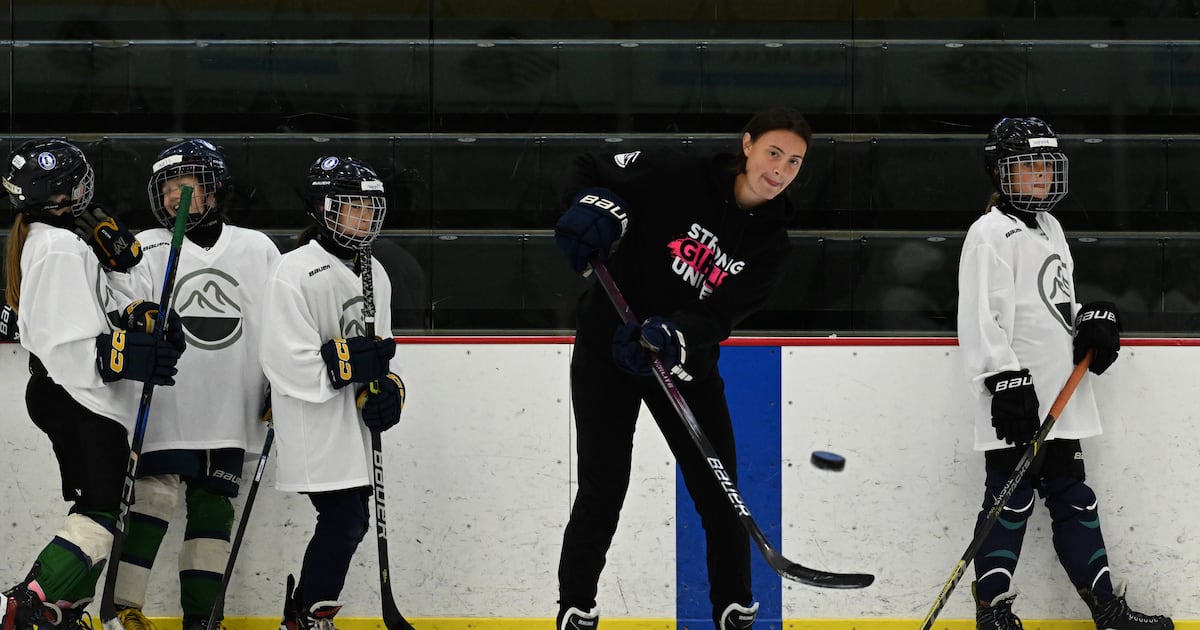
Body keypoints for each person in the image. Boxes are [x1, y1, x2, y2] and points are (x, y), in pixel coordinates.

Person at [552, 106, 810, 630]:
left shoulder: (771, 245)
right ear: (747, 145)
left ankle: (733, 608)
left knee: (721, 489)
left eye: (795, 163)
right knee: (604, 484)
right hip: (607, 343)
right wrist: (586, 209)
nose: (780, 170)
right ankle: (576, 607)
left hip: (680, 361)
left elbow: (717, 316)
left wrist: (676, 336)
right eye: (773, 153)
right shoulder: (676, 173)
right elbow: (590, 164)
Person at [956, 117, 1173, 630]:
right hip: (1018, 400)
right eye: (1027, 165)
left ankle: (1108, 613)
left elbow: (1053, 305)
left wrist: (1090, 322)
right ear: (999, 170)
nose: (1039, 175)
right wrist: (1003, 381)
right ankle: (993, 615)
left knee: (1075, 498)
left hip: (1061, 395)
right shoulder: (989, 232)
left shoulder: (1050, 227)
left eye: (1046, 165)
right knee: (1009, 500)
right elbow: (979, 316)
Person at [0, 139, 183, 630]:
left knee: (101, 505)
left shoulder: (58, 239)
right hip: (72, 393)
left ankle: (63, 609)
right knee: (104, 509)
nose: (87, 189)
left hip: (70, 394)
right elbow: (62, 342)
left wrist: (125, 272)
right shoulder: (57, 246)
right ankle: (29, 601)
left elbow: (102, 309)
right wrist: (120, 354)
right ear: (60, 195)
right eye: (77, 183)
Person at [102, 139, 280, 630]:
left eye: (188, 187)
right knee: (151, 500)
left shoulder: (256, 248)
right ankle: (125, 611)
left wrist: (279, 386)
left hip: (231, 405)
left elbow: (281, 326)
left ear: (214, 190)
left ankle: (202, 619)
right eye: (168, 189)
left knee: (213, 510)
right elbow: (122, 308)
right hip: (165, 405)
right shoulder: (148, 247)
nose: (176, 198)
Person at [259, 156, 406, 630]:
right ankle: (304, 614)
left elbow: (383, 354)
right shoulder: (293, 270)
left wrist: (388, 392)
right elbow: (283, 359)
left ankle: (308, 611)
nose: (364, 218)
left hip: (354, 426)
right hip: (313, 423)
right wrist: (344, 363)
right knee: (346, 520)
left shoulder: (374, 272)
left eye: (370, 209)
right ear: (323, 209)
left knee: (352, 520)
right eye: (352, 208)